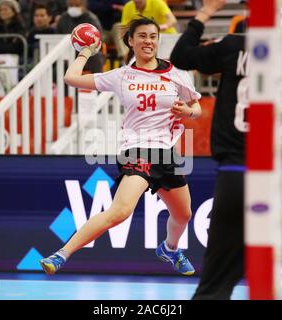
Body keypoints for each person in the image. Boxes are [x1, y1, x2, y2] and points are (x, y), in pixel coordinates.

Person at [169, 0, 282, 300]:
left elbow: (180, 56)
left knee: (215, 285)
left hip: (238, 174)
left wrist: (206, 12)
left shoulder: (234, 45)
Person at [40, 17, 202, 276]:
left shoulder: (177, 73)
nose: (148, 41)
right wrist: (84, 52)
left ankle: (170, 249)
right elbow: (71, 78)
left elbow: (198, 108)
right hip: (137, 151)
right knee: (120, 212)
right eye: (142, 36)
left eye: (153, 36)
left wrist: (188, 111)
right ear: (130, 41)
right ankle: (62, 254)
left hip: (166, 153)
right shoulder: (121, 76)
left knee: (184, 215)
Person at [56, 0, 104, 73]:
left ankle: (96, 81)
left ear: (84, 6)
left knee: (96, 56)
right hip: (67, 52)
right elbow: (57, 37)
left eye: (77, 5)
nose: (74, 8)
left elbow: (98, 39)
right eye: (71, 5)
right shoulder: (63, 19)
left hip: (87, 51)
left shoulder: (91, 19)